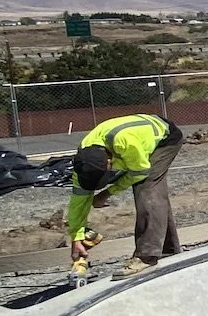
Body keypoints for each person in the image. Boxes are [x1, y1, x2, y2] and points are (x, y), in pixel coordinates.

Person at [67, 113, 183, 278]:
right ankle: (168, 249)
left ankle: (146, 256)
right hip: (137, 140)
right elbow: (79, 201)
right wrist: (76, 237)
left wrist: (107, 193)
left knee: (147, 187)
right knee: (155, 195)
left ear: (108, 162)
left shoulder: (124, 142)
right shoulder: (84, 161)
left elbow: (140, 172)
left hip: (165, 138)